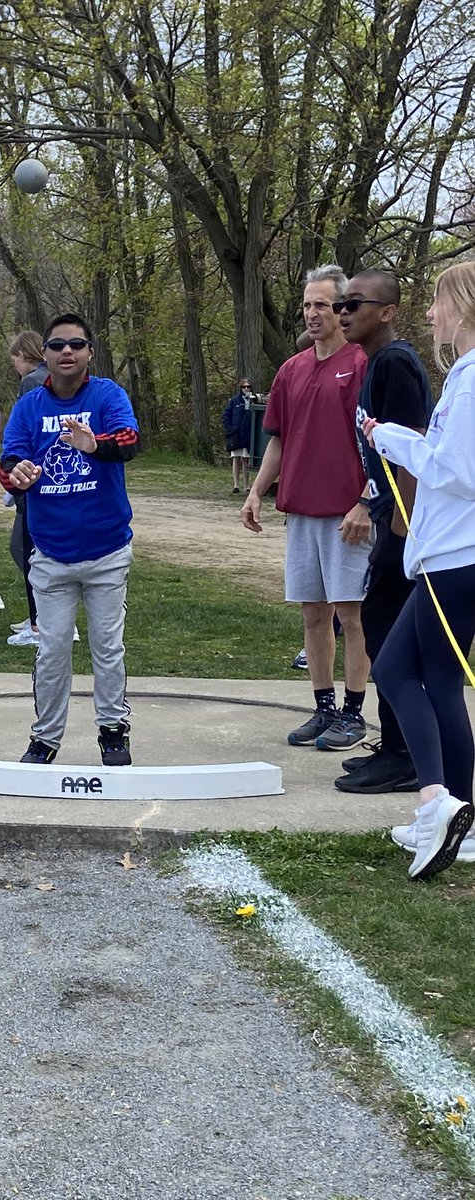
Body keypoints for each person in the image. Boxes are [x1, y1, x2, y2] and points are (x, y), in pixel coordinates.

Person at [361, 262, 475, 880]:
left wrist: (391, 439)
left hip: (456, 558)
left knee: (395, 668)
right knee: (437, 679)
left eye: (437, 303)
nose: (430, 315)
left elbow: (458, 472)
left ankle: (436, 801)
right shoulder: (463, 375)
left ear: (463, 306)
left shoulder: (474, 378)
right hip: (454, 556)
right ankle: (462, 815)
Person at [0, 313, 140, 765]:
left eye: (76, 344)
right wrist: (16, 474)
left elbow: (130, 440)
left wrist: (92, 444)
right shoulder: (29, 406)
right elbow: (8, 461)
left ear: (89, 353)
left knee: (107, 647)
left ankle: (113, 730)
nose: (66, 352)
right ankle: (44, 738)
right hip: (51, 554)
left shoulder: (107, 395)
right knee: (53, 650)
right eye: (58, 345)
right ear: (44, 353)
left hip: (106, 550)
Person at [242, 266, 370, 752]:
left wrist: (366, 501)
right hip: (301, 512)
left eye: (322, 305)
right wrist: (257, 491)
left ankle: (355, 713)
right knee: (313, 615)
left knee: (352, 613)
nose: (313, 314)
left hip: (348, 517)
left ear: (342, 310)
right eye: (307, 305)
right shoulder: (291, 370)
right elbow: (277, 439)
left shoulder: (360, 363)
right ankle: (323, 708)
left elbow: (380, 445)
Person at [332, 269, 432, 795]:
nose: (343, 312)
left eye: (355, 304)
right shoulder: (375, 364)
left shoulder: (395, 362)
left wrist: (403, 529)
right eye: (340, 304)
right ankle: (397, 746)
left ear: (387, 311)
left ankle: (404, 755)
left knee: (387, 631)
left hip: (405, 521)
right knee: (380, 624)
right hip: (388, 512)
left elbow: (413, 448)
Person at [7, 331, 49, 647]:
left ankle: (43, 620)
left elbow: (24, 433)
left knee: (26, 549)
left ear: (23, 354)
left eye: (14, 359)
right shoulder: (55, 378)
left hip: (33, 479)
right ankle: (42, 614)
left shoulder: (32, 382)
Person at [222, 379, 255, 493]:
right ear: (240, 388)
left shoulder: (254, 400)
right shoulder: (234, 401)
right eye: (244, 387)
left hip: (248, 434)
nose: (246, 389)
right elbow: (226, 415)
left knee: (246, 460)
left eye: (248, 387)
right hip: (236, 435)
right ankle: (236, 485)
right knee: (236, 459)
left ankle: (246, 485)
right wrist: (230, 428)